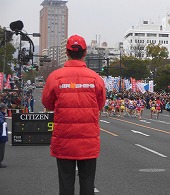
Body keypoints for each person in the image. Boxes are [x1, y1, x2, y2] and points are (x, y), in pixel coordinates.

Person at [41, 35, 106, 195]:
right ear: (84, 53)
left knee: (65, 182)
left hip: (64, 138)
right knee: (87, 182)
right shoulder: (95, 78)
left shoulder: (55, 77)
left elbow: (47, 103)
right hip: (88, 138)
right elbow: (100, 104)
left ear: (67, 52)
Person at [0, 103, 8, 168]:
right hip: (1, 135)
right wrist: (4, 122)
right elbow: (1, 122)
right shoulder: (1, 115)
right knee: (1, 150)